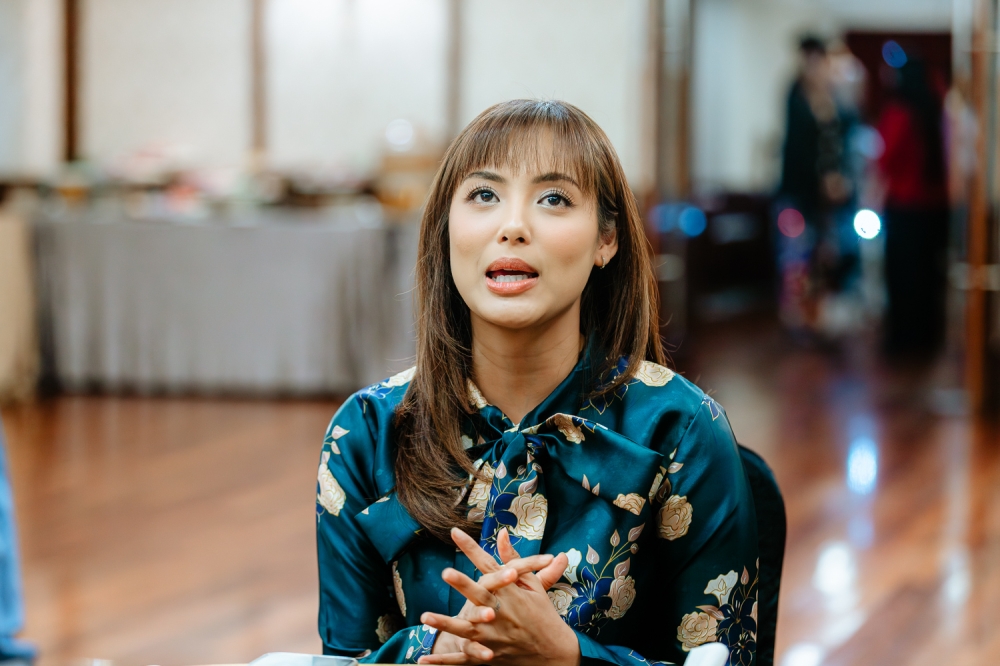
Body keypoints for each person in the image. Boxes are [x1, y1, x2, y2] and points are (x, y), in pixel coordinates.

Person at [316, 100, 759, 666]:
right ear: (446, 230)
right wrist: (435, 648)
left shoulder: (682, 431)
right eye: (483, 195)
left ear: (607, 241)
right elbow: (344, 656)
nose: (513, 226)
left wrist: (566, 656)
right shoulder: (365, 433)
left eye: (554, 199)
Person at [876, 56, 949, 358]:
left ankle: (904, 341)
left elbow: (885, 157)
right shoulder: (935, 108)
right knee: (928, 277)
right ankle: (928, 339)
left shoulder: (899, 112)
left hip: (905, 207)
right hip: (934, 209)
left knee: (903, 277)